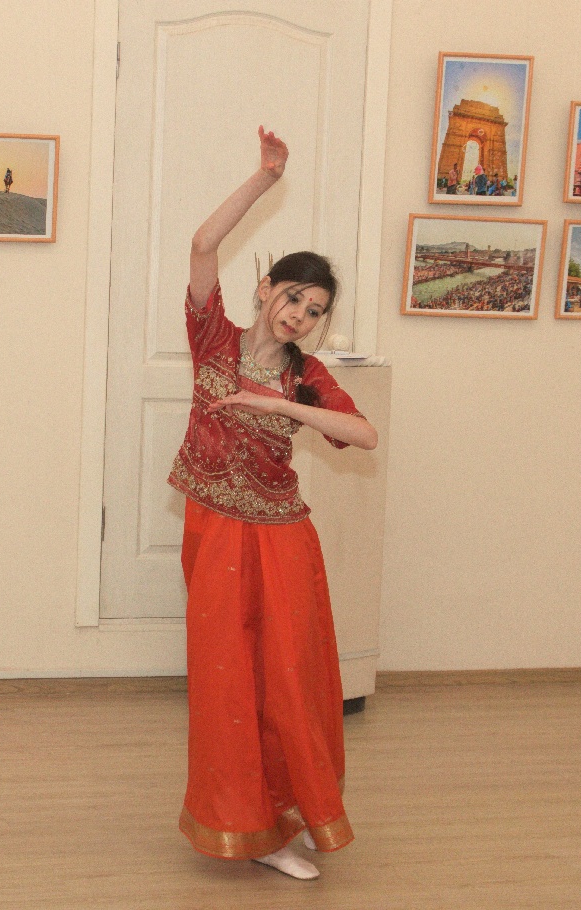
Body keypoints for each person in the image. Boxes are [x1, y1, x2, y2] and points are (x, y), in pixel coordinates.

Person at [169, 125, 378, 881]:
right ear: (265, 290)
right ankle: (247, 828)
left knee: (288, 679)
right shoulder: (212, 339)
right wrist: (266, 177)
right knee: (228, 682)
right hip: (213, 531)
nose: (299, 314)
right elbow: (202, 245)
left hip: (282, 537)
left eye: (314, 310)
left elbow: (363, 433)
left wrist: (281, 407)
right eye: (293, 297)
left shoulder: (305, 376)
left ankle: (292, 816)